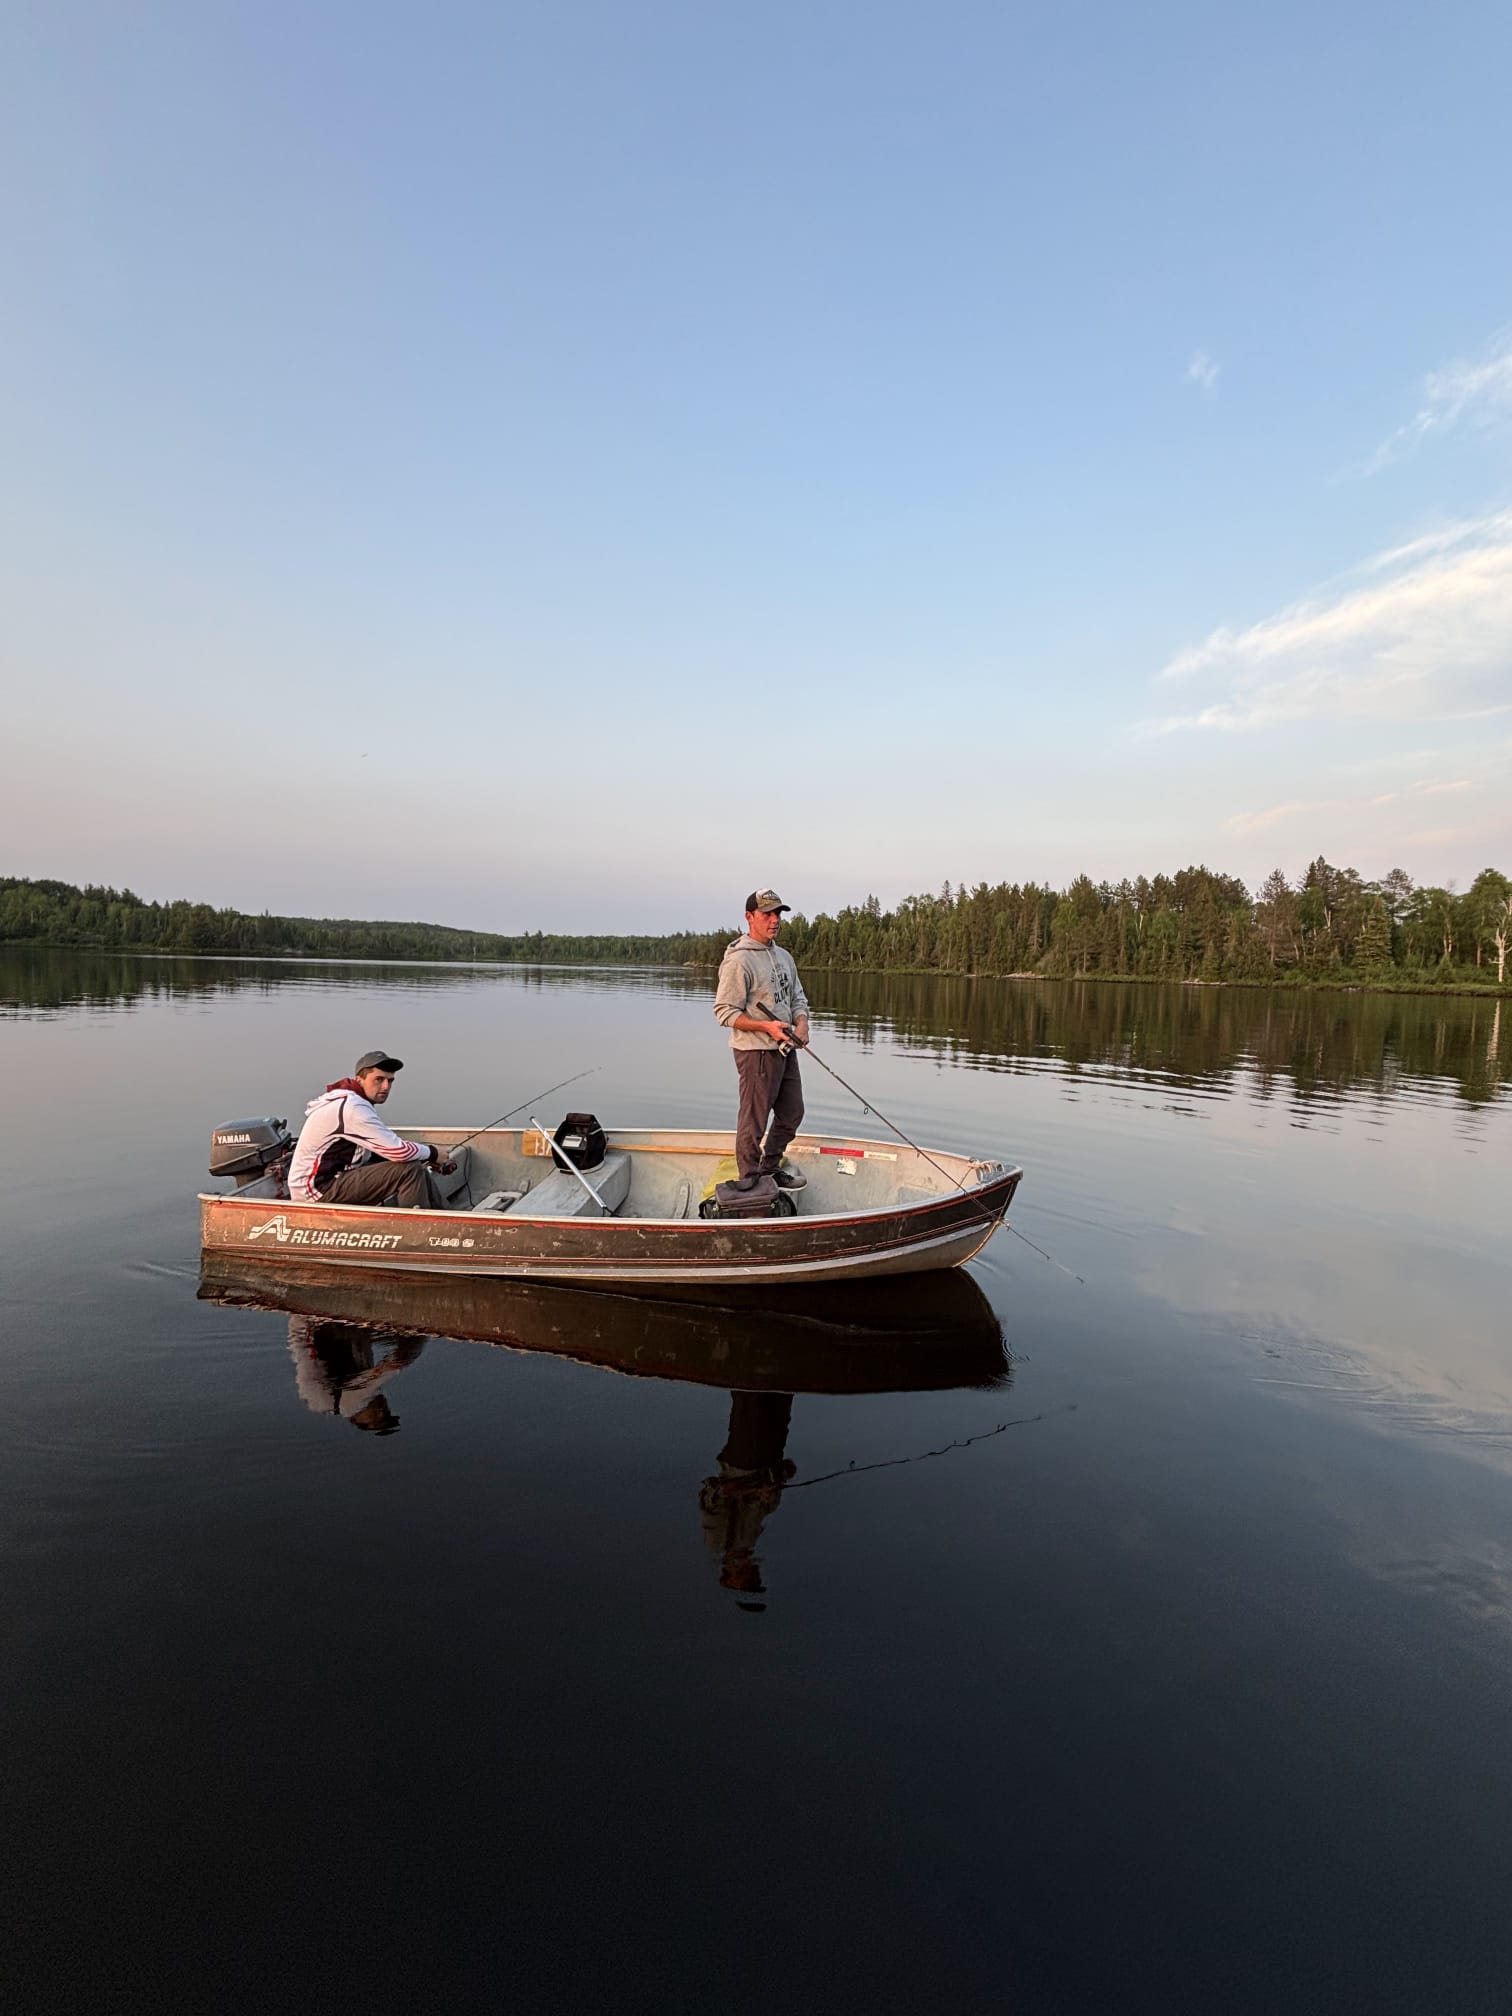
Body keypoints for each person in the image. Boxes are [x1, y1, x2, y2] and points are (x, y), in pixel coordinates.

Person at [713, 889, 811, 1190]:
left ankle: (769, 1169)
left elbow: (797, 997)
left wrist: (802, 1024)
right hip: (755, 1051)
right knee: (753, 1122)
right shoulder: (739, 961)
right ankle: (749, 1183)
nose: (774, 920)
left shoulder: (783, 957)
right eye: (766, 914)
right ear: (749, 917)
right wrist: (766, 1027)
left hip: (784, 1048)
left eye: (777, 914)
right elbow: (724, 1012)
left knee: (793, 1112)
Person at [287, 1050, 455, 1207]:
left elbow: (386, 1149)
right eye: (379, 1079)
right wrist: (434, 1153)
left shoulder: (352, 1101)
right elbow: (398, 1151)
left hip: (335, 1177)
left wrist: (425, 1157)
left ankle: (448, 1220)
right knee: (408, 1170)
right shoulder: (352, 1107)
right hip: (316, 1191)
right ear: (359, 1079)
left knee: (413, 1163)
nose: (386, 1087)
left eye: (390, 1081)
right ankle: (419, 1230)